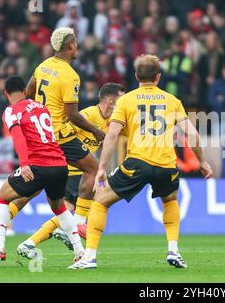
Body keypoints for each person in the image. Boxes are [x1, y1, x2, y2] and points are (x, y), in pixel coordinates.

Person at [68, 54, 213, 270]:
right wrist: (202, 161)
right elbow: (192, 134)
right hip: (166, 164)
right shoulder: (172, 101)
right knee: (171, 201)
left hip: (138, 162)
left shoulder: (126, 100)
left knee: (100, 200)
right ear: (158, 77)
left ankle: (90, 257)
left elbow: (112, 135)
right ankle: (173, 249)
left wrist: (101, 167)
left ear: (136, 76)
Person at [0, 83, 125, 258]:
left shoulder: (112, 121)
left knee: (37, 196)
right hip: (65, 165)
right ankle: (72, 229)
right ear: (111, 100)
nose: (124, 102)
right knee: (60, 205)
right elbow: (61, 133)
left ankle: (15, 232)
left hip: (58, 165)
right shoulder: (88, 115)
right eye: (122, 97)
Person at [0, 76, 84, 263]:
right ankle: (80, 252)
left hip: (38, 165)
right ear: (24, 91)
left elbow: (18, 138)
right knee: (60, 208)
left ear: (6, 93)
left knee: (1, 197)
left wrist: (24, 164)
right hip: (60, 165)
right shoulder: (40, 106)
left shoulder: (11, 111)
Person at [26, 27, 105, 233]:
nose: (77, 45)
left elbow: (28, 92)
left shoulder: (43, 65)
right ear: (71, 46)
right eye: (76, 42)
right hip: (59, 134)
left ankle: (3, 216)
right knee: (93, 169)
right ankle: (79, 221)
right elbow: (72, 115)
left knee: (35, 181)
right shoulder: (70, 75)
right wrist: (95, 130)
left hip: (40, 133)